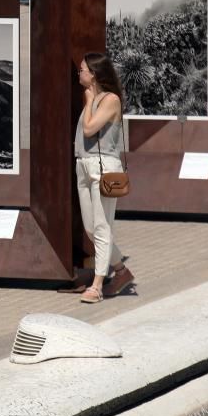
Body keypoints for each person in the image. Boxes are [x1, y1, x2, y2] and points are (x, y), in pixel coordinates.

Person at [75, 53, 134, 303]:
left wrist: (88, 100)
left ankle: (97, 285)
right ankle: (121, 271)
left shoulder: (110, 99)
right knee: (91, 228)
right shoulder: (95, 98)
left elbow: (90, 129)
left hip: (103, 168)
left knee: (101, 227)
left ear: (94, 75)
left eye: (82, 70)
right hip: (83, 165)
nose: (79, 73)